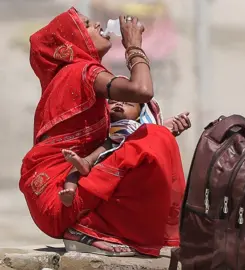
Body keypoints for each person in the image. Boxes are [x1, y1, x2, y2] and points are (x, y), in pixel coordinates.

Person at [20, 7, 186, 256]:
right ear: (73, 42)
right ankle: (92, 229)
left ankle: (106, 229)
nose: (97, 25)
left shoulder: (70, 76)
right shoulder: (82, 71)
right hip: (63, 193)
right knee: (155, 139)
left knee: (156, 138)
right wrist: (134, 46)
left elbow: (119, 138)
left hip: (54, 195)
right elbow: (142, 91)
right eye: (87, 24)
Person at [59, 99, 191, 207]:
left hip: (127, 192)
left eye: (129, 103)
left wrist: (162, 129)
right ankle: (70, 191)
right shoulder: (99, 131)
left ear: (141, 114)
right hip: (98, 175)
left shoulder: (142, 131)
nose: (119, 103)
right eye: (112, 101)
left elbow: (151, 137)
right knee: (76, 168)